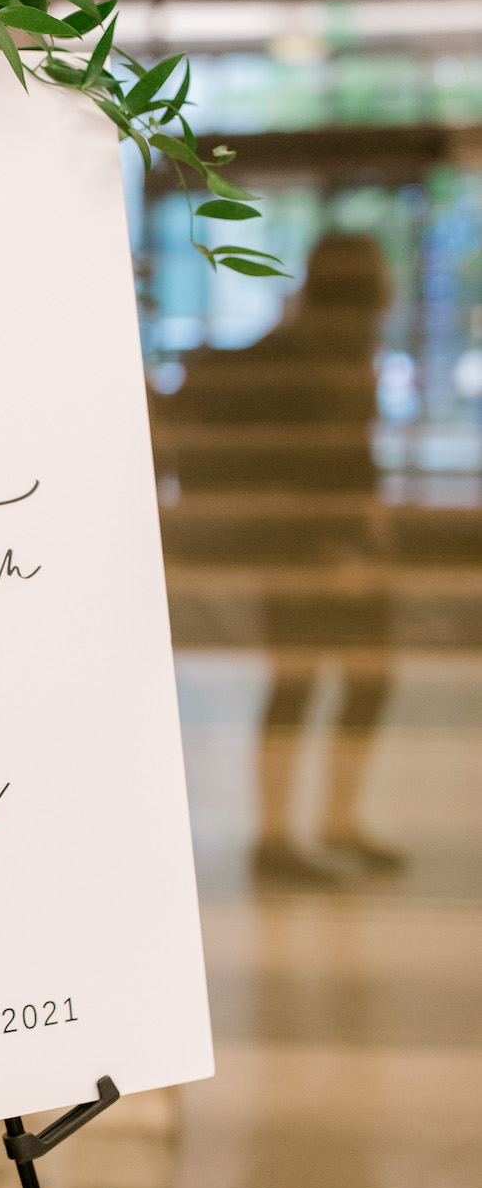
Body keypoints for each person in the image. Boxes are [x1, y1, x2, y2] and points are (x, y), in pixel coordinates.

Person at [160, 230, 403, 888]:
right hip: (321, 549)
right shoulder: (328, 355)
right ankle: (287, 836)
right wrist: (351, 548)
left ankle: (319, 828)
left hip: (311, 546)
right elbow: (339, 466)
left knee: (332, 683)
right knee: (321, 684)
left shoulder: (313, 347)